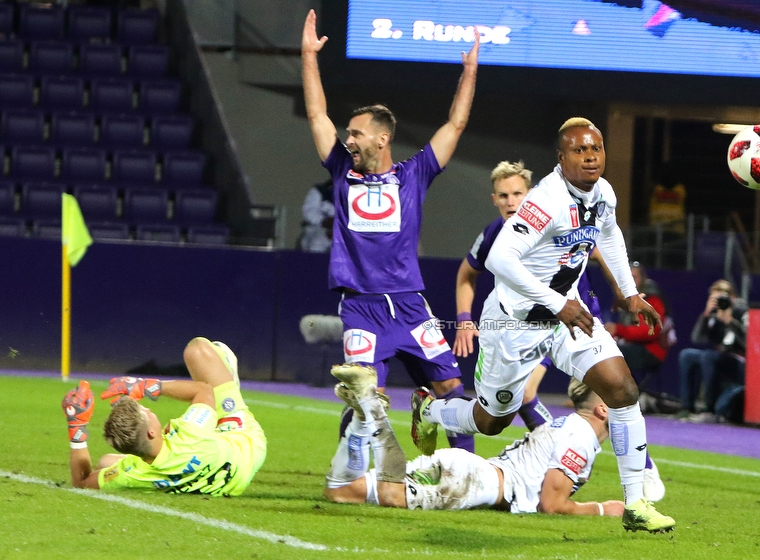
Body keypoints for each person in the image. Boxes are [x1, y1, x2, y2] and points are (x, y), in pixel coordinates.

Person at [411, 117, 674, 533]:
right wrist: (557, 303)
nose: (590, 157)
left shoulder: (603, 193)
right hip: (514, 324)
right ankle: (432, 411)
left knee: (622, 390)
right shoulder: (544, 201)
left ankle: (636, 504)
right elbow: (499, 260)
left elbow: (609, 236)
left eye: (596, 149)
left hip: (563, 320)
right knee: (492, 420)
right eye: (579, 150)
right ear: (561, 158)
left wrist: (628, 291)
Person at [301, 10, 479, 452]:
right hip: (360, 308)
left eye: (357, 133)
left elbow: (454, 125)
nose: (348, 139)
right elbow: (317, 113)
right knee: (363, 398)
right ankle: (351, 482)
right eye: (348, 133)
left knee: (453, 391)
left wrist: (469, 73)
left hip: (410, 306)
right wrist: (308, 57)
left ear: (382, 140)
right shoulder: (342, 170)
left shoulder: (414, 174)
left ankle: (465, 477)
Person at [326, 363, 639, 524]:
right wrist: (602, 509)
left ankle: (360, 420)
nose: (629, 409)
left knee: (340, 492)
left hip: (468, 472)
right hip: (471, 483)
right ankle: (371, 408)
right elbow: (551, 505)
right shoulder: (581, 437)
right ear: (601, 409)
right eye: (622, 403)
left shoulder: (567, 426)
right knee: (391, 495)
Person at [59, 338, 266, 495]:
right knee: (199, 350)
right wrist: (145, 386)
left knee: (106, 462)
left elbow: (82, 482)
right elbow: (204, 391)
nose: (150, 410)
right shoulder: (189, 434)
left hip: (228, 480)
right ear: (151, 431)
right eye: (146, 412)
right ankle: (229, 381)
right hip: (244, 446)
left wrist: (77, 425)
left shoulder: (132, 474)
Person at [454, 161, 553, 431]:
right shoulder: (493, 233)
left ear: (530, 194)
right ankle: (552, 458)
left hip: (574, 320)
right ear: (494, 199)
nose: (511, 202)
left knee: (610, 392)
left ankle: (643, 470)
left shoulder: (551, 225)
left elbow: (597, 248)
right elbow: (466, 275)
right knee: (497, 415)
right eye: (504, 195)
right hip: (531, 327)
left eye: (518, 194)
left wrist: (623, 291)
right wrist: (464, 320)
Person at [677, 279, 748, 423]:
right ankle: (687, 407)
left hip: (739, 360)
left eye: (721, 299)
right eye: (714, 299)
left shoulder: (741, 311)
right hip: (718, 356)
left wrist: (731, 323)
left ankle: (708, 407)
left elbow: (749, 343)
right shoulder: (714, 313)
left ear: (732, 297)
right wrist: (706, 315)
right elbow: (697, 338)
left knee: (708, 357)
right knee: (687, 355)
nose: (718, 303)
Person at [606, 261, 675, 388]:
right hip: (633, 346)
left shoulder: (653, 298)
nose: (630, 281)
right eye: (628, 277)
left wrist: (619, 330)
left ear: (643, 279)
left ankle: (615, 395)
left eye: (634, 277)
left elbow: (650, 331)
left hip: (651, 352)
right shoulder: (627, 298)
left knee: (609, 353)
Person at [299, 179, 335, 252]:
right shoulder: (320, 190)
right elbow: (309, 211)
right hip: (319, 228)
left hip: (345, 232)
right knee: (317, 243)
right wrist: (323, 221)